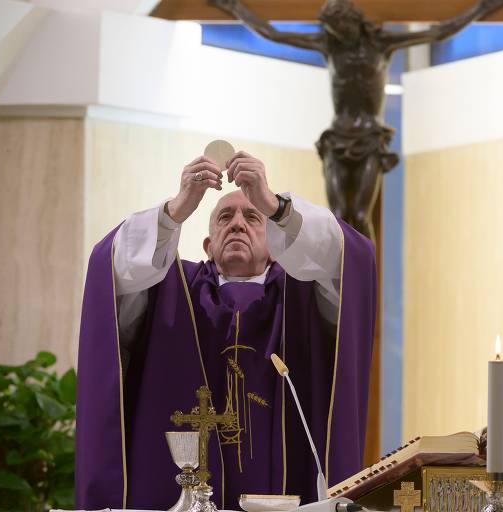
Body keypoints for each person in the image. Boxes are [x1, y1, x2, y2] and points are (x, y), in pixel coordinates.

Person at [75, 151, 377, 510]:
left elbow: (346, 255)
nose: (237, 224)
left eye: (252, 217)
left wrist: (276, 207)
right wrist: (174, 212)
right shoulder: (171, 291)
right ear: (207, 245)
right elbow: (113, 269)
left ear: (277, 246)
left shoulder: (303, 298)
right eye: (224, 217)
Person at [211, 0, 503, 239]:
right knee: (340, 214)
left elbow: (439, 32)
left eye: (340, 25)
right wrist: (234, 7)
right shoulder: (329, 45)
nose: (336, 31)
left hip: (369, 141)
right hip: (338, 139)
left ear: (353, 20)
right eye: (331, 27)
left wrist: (482, 8)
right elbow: (274, 34)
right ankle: (340, 280)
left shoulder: (381, 43)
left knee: (362, 215)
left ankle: (364, 276)